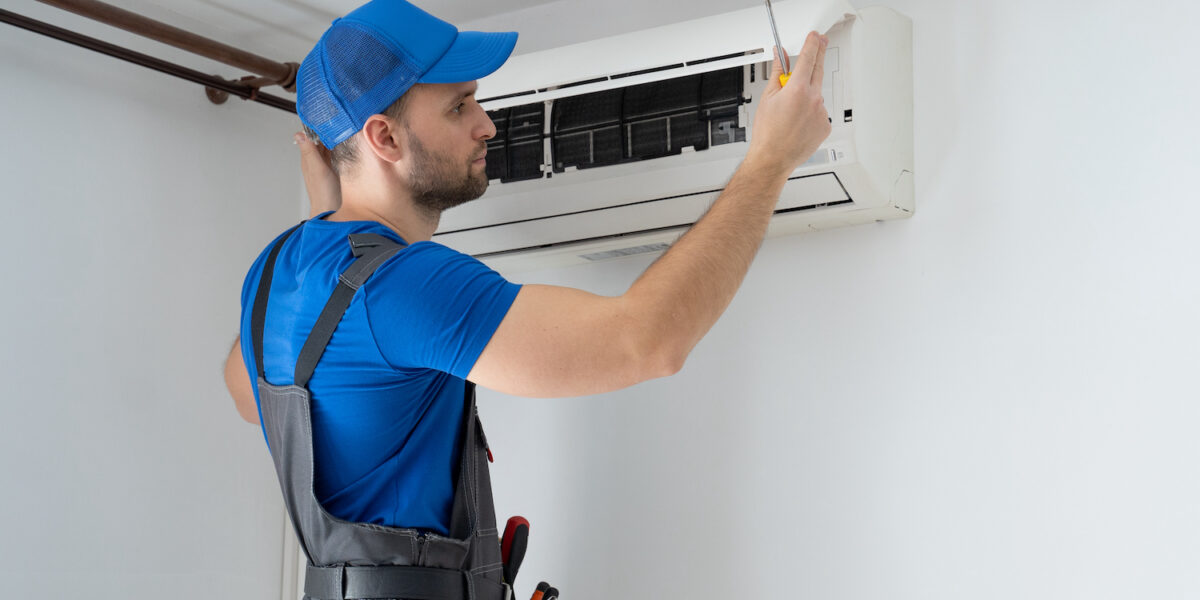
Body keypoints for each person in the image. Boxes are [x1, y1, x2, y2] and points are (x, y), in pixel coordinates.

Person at [223, 0, 830, 597]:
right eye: (459, 106)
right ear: (383, 136)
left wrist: (328, 212)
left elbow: (250, 395)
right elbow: (646, 342)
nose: (486, 123)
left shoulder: (276, 270)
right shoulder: (405, 284)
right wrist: (771, 159)